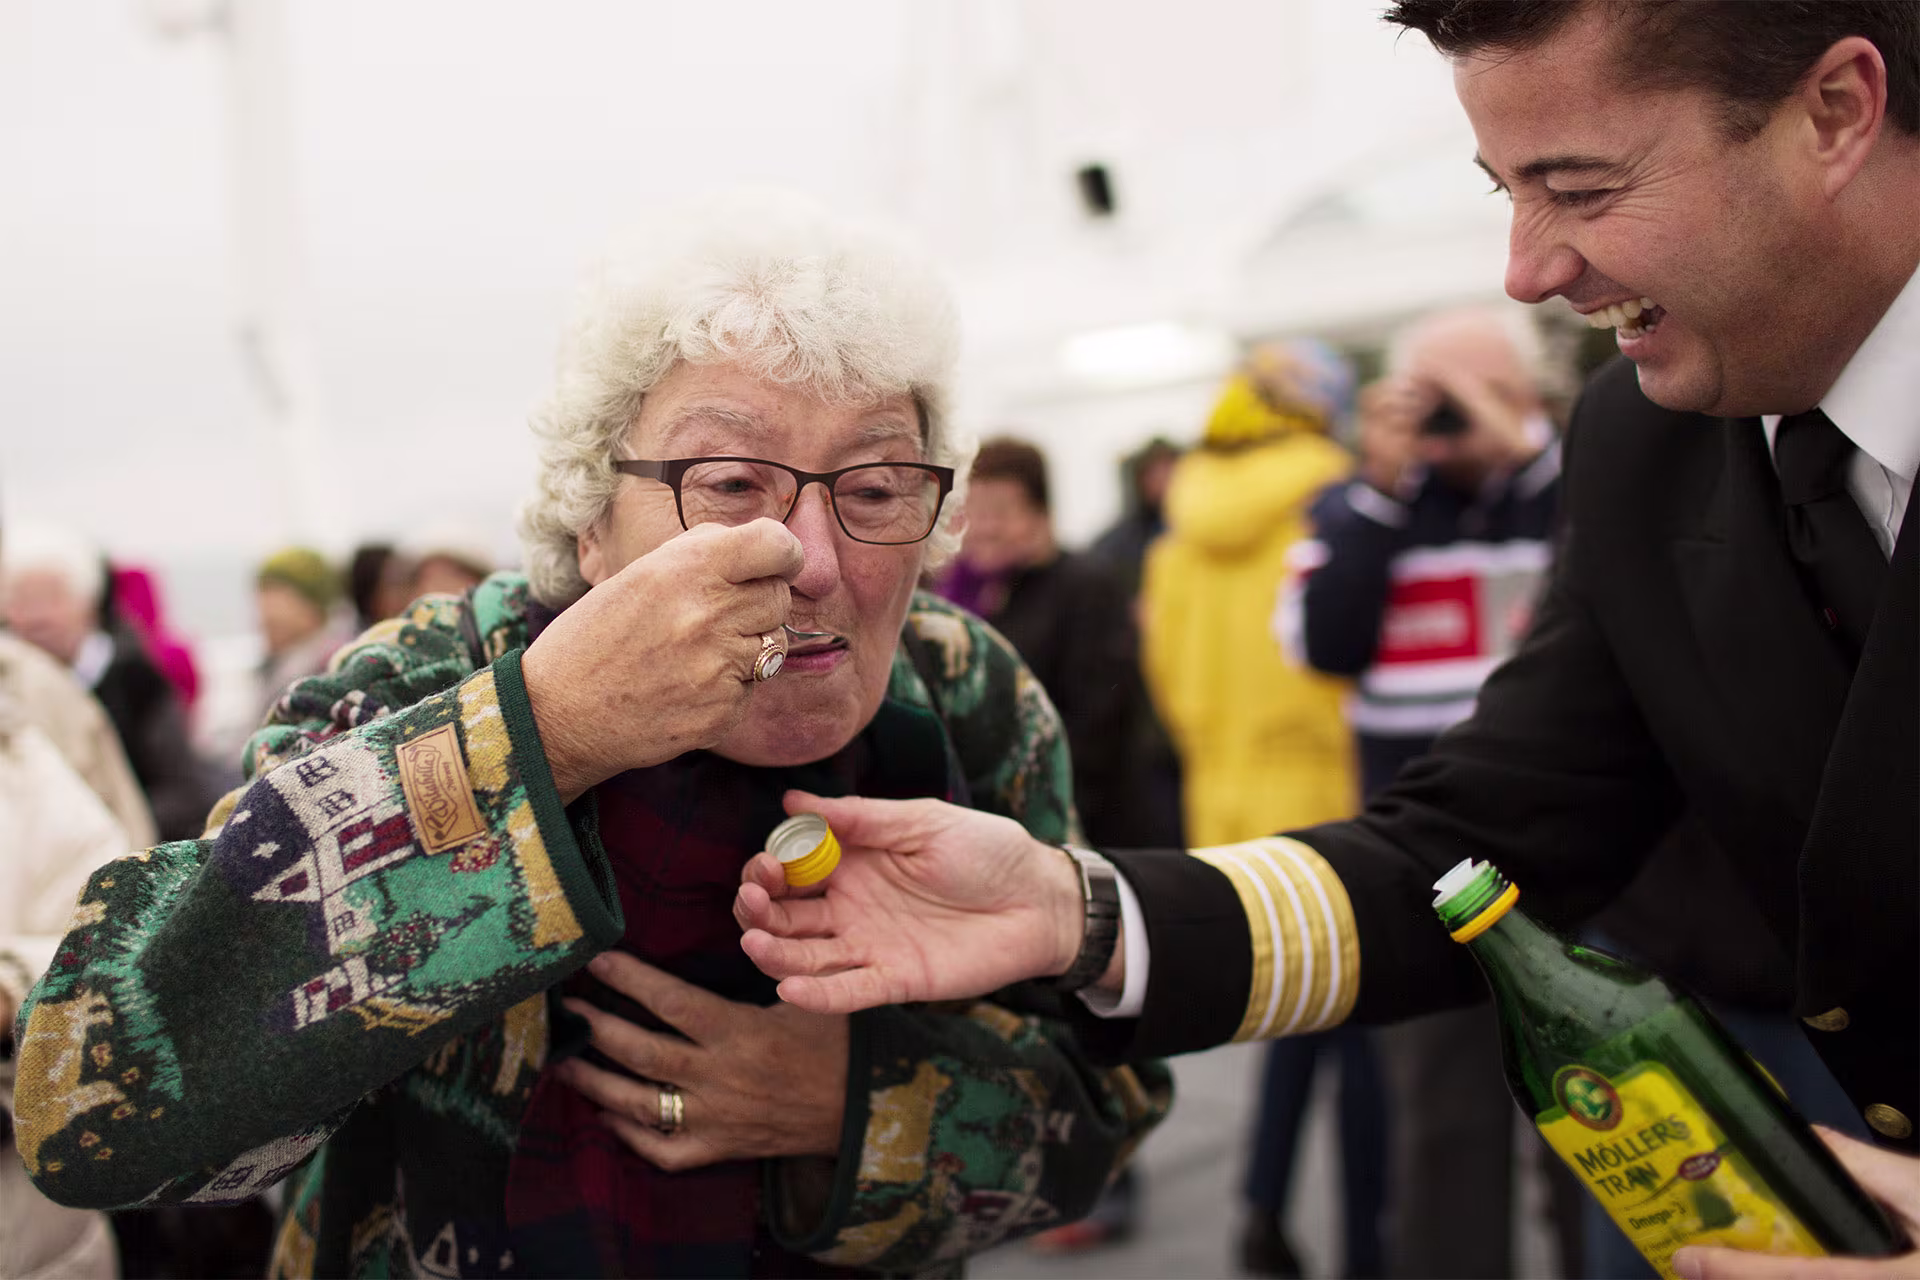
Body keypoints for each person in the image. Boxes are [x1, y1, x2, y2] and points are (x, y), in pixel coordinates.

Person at [734, 6, 1920, 1278]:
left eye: (1580, 187)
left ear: (1836, 112)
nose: (1526, 269)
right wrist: (1077, 911)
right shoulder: (1648, 445)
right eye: (1504, 190)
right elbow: (1476, 845)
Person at [13, 192, 1167, 1279]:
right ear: (591, 523)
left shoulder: (969, 698)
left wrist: (857, 1104)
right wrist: (541, 735)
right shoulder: (416, 683)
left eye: (872, 489)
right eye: (729, 481)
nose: (812, 558)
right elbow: (93, 1107)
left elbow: (1105, 1111)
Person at [1282, 305, 1573, 1279]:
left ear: (1533, 398)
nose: (1453, 419)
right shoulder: (1354, 511)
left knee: (1597, 1124)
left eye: (1483, 392)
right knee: (1442, 1130)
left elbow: (1598, 537)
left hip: (1581, 864)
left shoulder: (1572, 491)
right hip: (1428, 869)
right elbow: (1327, 643)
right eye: (1432, 397)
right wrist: (1380, 484)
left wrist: (1521, 449)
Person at [1138, 344, 1383, 1278]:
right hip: (1336, 799)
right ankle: (1369, 1249)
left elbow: (1171, 685)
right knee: (1366, 1039)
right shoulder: (1335, 502)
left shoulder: (1175, 531)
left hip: (1227, 811)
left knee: (1297, 1019)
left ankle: (1262, 1207)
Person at [935, 437, 1146, 848]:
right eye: (972, 510)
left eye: (1000, 511)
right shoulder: (978, 591)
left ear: (1040, 511)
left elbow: (1096, 728)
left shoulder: (1087, 586)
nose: (984, 527)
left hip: (1079, 821)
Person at [1, 524, 209, 842]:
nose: (34, 616)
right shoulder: (10, 689)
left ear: (89, 602)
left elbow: (185, 792)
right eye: (20, 600)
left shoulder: (135, 679)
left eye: (50, 598)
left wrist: (99, 824)